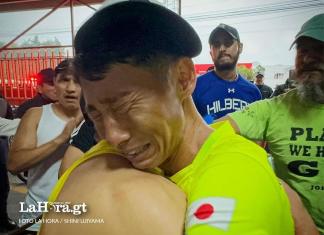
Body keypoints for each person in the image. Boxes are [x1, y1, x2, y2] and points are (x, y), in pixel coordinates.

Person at [39, 1, 314, 234]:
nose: (112, 135)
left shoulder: (236, 173)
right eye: (96, 113)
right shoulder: (105, 159)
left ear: (183, 79)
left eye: (124, 107)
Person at [221, 13, 324, 234]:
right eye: (303, 50)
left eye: (320, 49)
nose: (308, 59)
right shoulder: (273, 108)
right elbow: (206, 134)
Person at [8, 59, 83, 234]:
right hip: (36, 220)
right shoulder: (36, 115)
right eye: (64, 80)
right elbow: (14, 164)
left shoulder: (98, 119)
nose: (71, 88)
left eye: (78, 81)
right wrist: (60, 139)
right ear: (55, 84)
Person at [192, 23, 261, 123]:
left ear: (240, 47)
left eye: (228, 43)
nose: (222, 48)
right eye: (216, 44)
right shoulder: (195, 87)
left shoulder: (253, 92)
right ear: (211, 52)